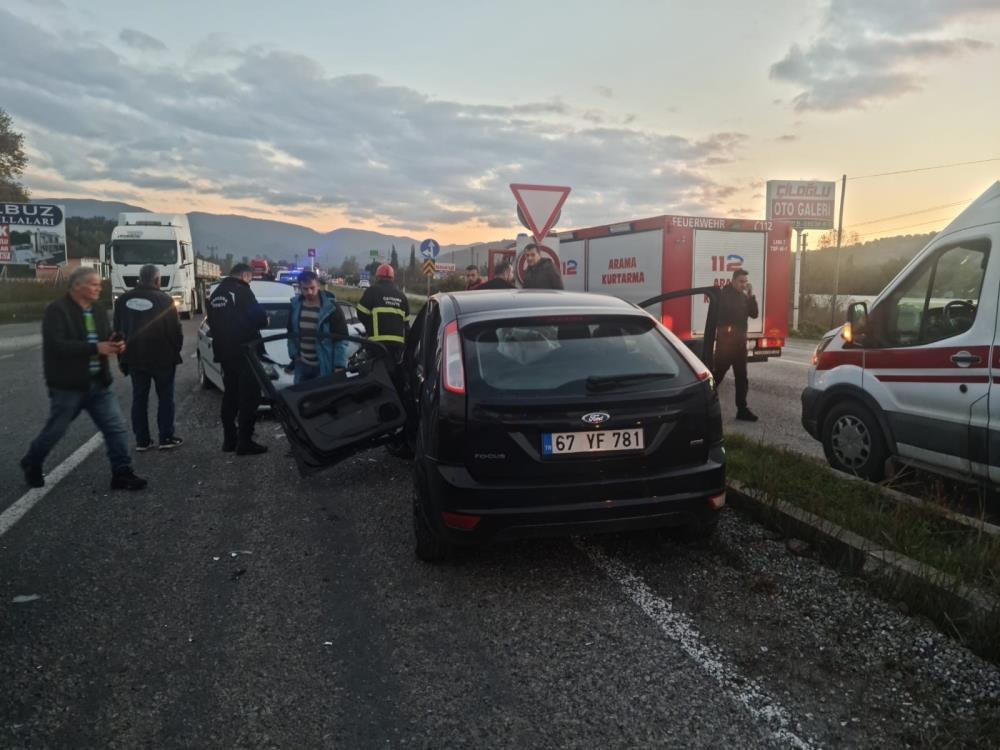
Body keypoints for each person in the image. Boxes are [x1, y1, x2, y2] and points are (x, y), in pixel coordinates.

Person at [20, 267, 147, 490]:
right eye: (94, 284)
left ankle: (122, 473)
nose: (99, 288)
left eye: (99, 284)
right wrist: (95, 347)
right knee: (55, 430)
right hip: (68, 385)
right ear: (77, 286)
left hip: (99, 383)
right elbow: (57, 346)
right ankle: (32, 462)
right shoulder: (57, 311)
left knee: (115, 427)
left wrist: (117, 342)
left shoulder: (97, 310)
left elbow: (106, 334)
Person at [113, 264, 184, 451]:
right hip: (162, 359)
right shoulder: (164, 299)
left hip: (135, 358)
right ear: (157, 280)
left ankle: (142, 441)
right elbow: (176, 332)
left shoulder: (122, 300)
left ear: (140, 279)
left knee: (139, 398)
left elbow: (117, 332)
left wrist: (122, 358)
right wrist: (175, 350)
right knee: (165, 398)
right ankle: (166, 437)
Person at [207, 263, 269, 454]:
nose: (250, 281)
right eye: (250, 278)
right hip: (244, 352)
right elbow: (259, 318)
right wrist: (266, 320)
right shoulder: (242, 291)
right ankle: (245, 441)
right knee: (250, 396)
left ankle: (229, 440)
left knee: (230, 396)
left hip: (225, 353)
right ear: (244, 275)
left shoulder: (216, 294)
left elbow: (212, 323)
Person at [712, 268, 759, 422]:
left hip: (739, 343)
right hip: (726, 343)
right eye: (741, 281)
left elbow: (754, 314)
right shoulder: (725, 294)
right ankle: (702, 402)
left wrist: (751, 296)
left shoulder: (744, 297)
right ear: (733, 281)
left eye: (745, 282)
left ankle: (742, 409)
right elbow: (733, 311)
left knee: (741, 377)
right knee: (717, 374)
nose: (743, 284)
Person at [287, 270, 349, 384]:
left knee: (323, 400)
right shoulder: (295, 307)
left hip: (324, 366)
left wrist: (339, 365)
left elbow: (341, 340)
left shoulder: (332, 309)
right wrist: (295, 355)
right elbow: (290, 334)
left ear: (318, 286)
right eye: (305, 289)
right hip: (302, 366)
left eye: (312, 288)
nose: (309, 292)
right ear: (299, 288)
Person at [357, 263, 410, 363]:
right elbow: (406, 324)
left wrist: (369, 327)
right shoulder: (402, 296)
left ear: (377, 277)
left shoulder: (372, 291)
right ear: (392, 278)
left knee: (375, 371)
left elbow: (360, 312)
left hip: (377, 344)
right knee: (394, 373)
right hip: (397, 346)